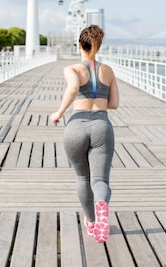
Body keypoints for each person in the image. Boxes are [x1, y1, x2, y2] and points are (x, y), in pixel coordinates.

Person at [50, 25, 120, 244]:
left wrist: (59, 112)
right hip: (101, 124)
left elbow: (72, 89)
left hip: (76, 126)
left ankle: (91, 222)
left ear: (79, 45)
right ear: (98, 46)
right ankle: (102, 206)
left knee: (82, 177)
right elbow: (115, 104)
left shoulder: (72, 69)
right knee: (99, 180)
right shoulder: (108, 70)